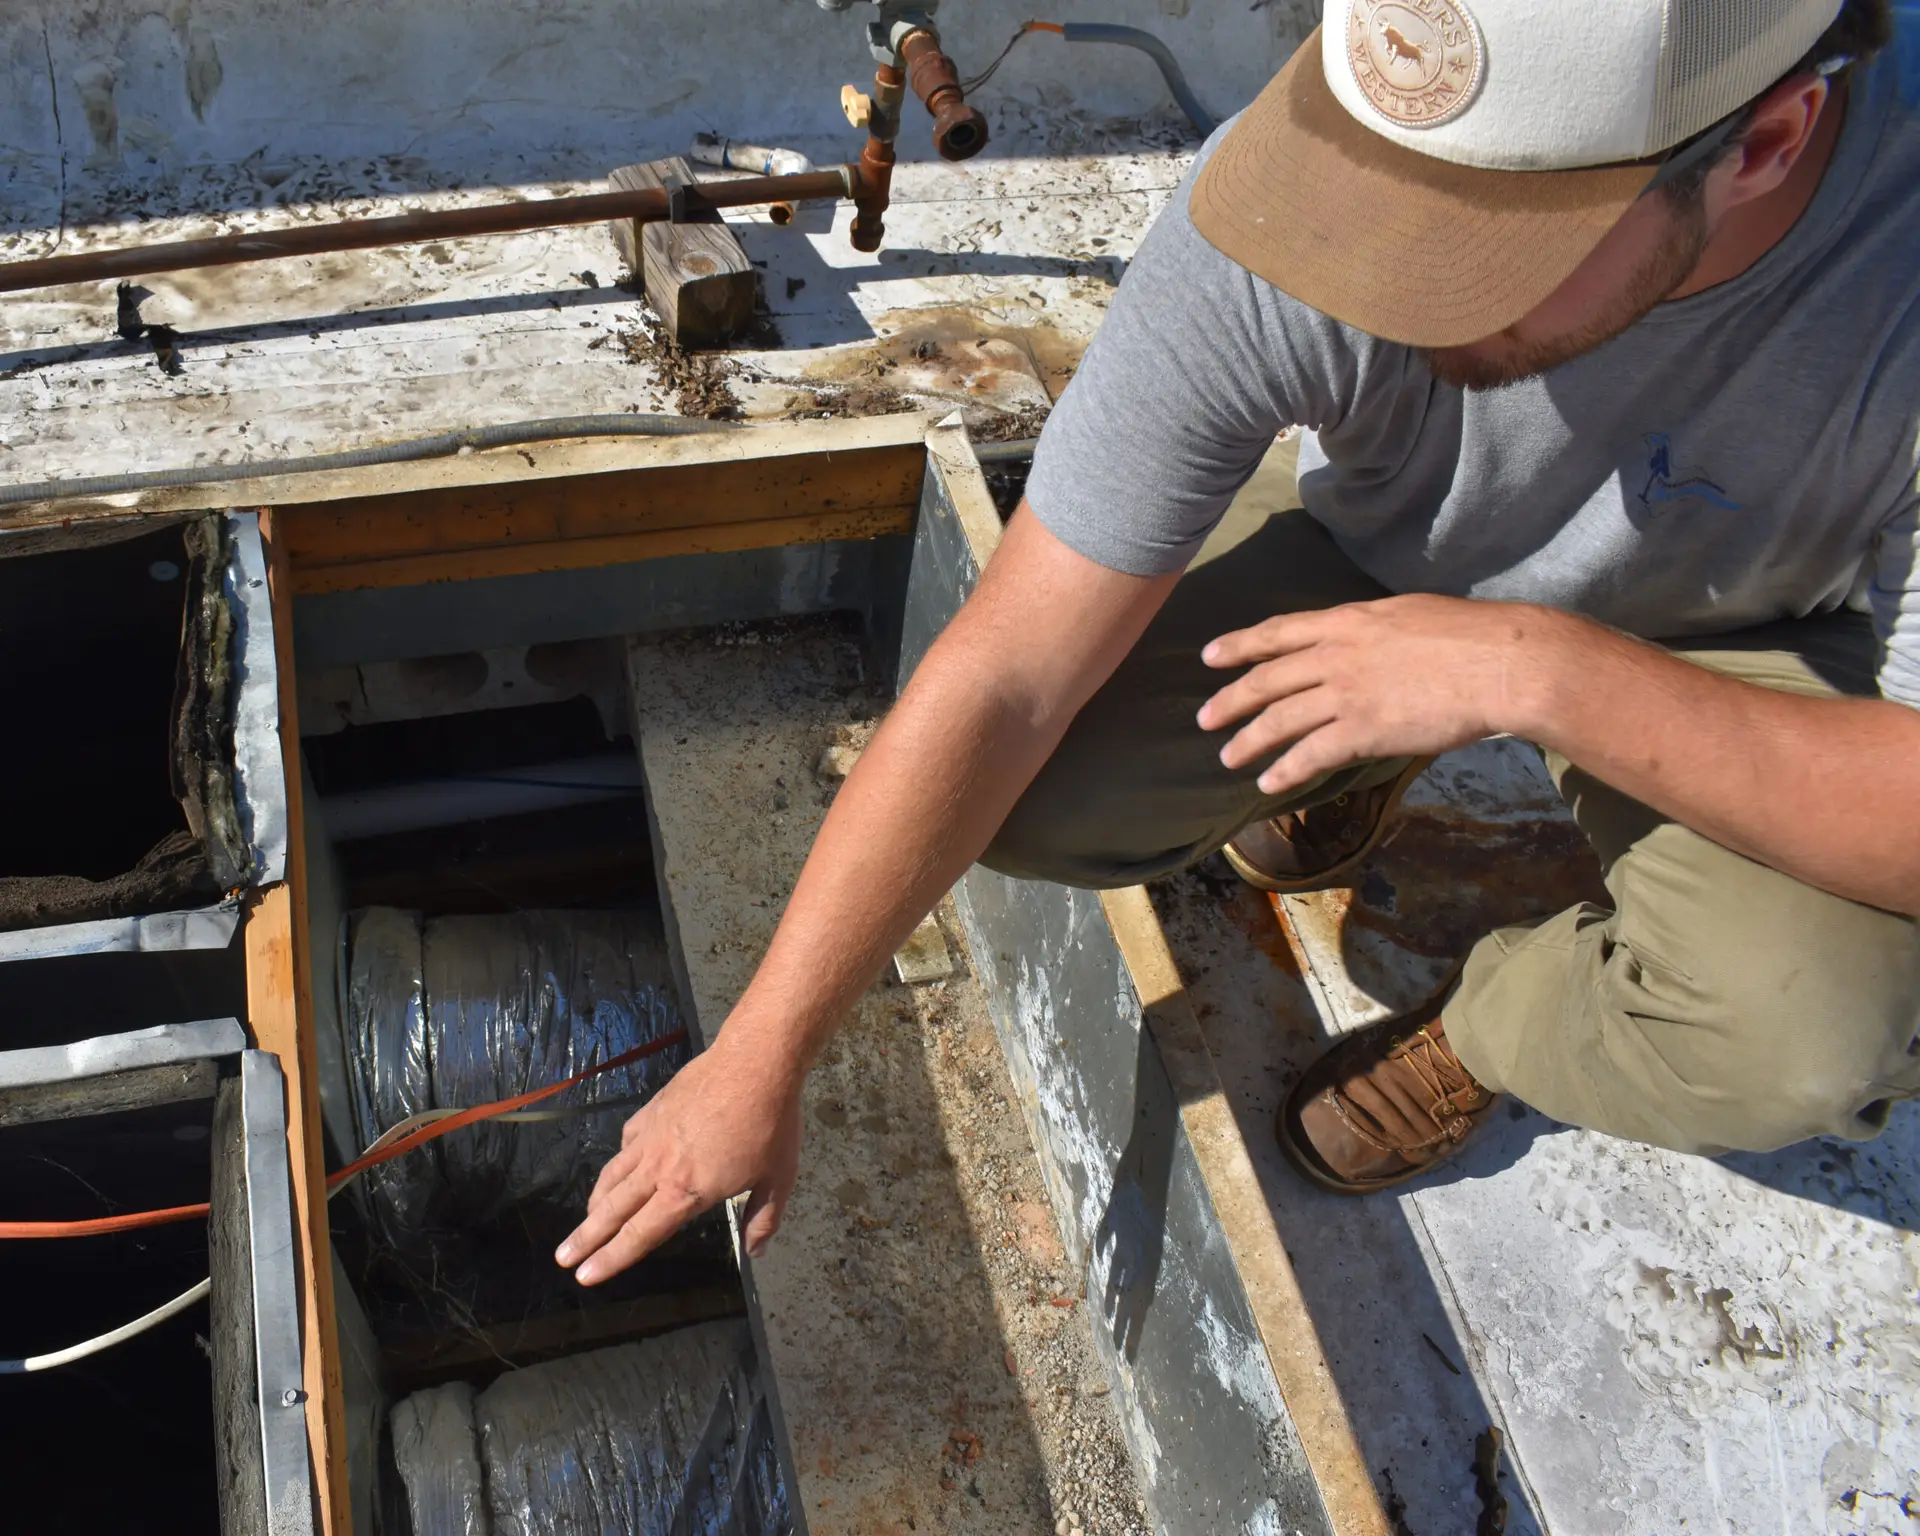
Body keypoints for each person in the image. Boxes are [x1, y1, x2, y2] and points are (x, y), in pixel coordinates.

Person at [558, 0, 1920, 1283]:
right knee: (1029, 797)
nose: (1393, 278)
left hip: (1746, 634)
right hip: (1394, 556)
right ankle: (1365, 751)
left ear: (1767, 143)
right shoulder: (1308, 180)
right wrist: (762, 1051)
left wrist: (1528, 669)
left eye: (1483, 250)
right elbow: (1011, 669)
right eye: (1385, 204)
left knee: (1806, 1037)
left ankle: (1493, 1031)